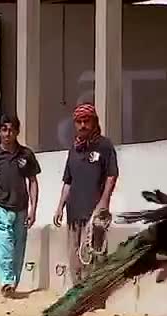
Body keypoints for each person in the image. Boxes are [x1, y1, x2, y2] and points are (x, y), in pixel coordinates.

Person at [52, 103, 119, 286]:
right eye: (79, 122)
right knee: (75, 259)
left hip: (93, 213)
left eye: (86, 121)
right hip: (73, 213)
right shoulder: (74, 149)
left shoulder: (104, 146)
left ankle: (93, 299)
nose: (83, 125)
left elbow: (111, 176)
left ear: (94, 122)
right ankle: (77, 295)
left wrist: (104, 202)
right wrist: (59, 207)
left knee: (93, 257)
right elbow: (68, 181)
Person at [0, 114, 41, 298]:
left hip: (20, 207)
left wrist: (33, 209)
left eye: (11, 129)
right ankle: (6, 280)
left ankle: (13, 282)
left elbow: (33, 181)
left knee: (18, 248)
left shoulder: (26, 154)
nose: (8, 133)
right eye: (4, 129)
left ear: (17, 131)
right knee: (4, 245)